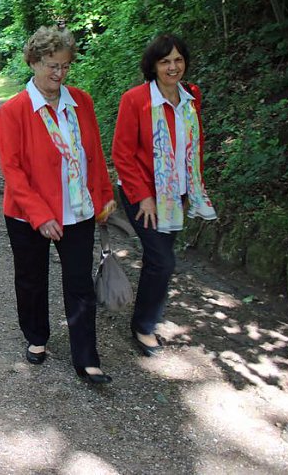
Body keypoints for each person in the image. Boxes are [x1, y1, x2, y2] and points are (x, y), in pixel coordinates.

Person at [0, 26, 116, 384]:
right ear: (33, 61)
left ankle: (87, 358)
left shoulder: (82, 101)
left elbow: (93, 153)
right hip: (27, 214)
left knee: (79, 283)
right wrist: (40, 214)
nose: (58, 74)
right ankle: (36, 336)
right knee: (31, 279)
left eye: (64, 66)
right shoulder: (15, 110)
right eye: (51, 65)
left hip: (77, 208)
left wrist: (104, 194)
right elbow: (12, 170)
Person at [112, 33, 217, 357]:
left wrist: (193, 188)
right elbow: (122, 153)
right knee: (162, 261)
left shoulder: (191, 96)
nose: (173, 67)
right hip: (141, 195)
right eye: (165, 61)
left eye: (178, 60)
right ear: (153, 66)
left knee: (159, 261)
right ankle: (143, 326)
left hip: (177, 194)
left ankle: (145, 317)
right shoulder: (136, 99)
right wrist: (144, 195)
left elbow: (193, 145)